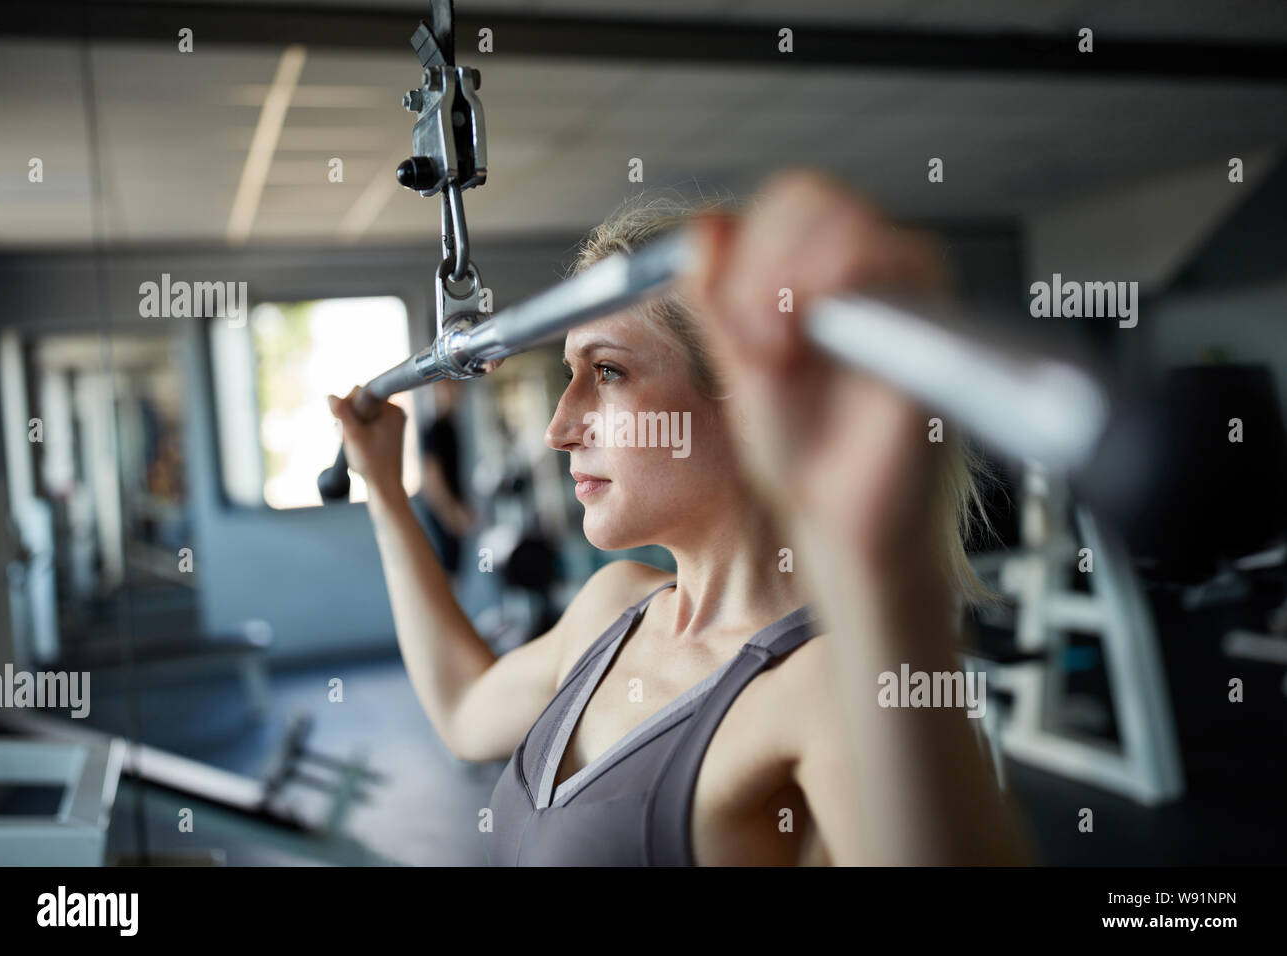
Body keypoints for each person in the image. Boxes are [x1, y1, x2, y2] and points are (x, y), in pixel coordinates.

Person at [328, 170, 1035, 866]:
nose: (560, 427)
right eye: (571, 373)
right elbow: (463, 713)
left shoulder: (826, 686)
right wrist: (387, 492)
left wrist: (883, 563)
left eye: (607, 372)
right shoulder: (612, 608)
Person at [416, 378, 475, 575]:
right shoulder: (433, 429)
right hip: (442, 514)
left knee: (456, 571)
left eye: (456, 389)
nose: (453, 394)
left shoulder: (451, 426)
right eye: (447, 389)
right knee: (446, 576)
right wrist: (452, 513)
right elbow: (432, 481)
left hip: (452, 511)